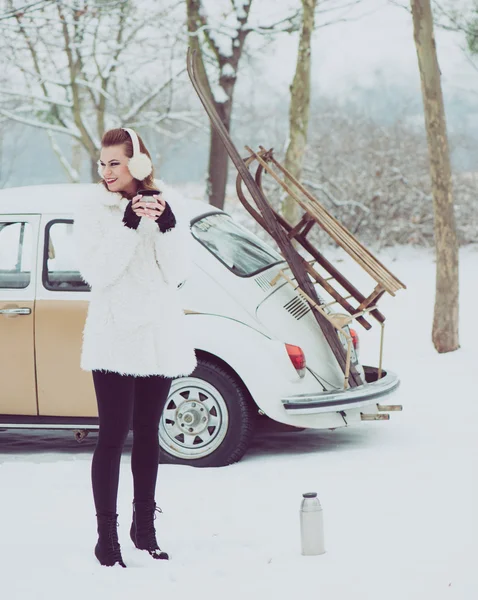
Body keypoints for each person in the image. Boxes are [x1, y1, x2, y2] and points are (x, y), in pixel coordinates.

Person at [73, 127, 197, 568]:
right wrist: (128, 224)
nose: (105, 171)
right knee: (112, 436)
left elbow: (178, 272)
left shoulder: (168, 202)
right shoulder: (91, 208)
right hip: (113, 337)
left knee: (148, 435)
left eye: (114, 163)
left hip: (157, 336)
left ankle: (144, 529)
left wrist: (165, 225)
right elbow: (98, 274)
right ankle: (106, 537)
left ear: (138, 163)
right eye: (102, 163)